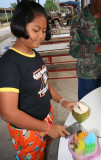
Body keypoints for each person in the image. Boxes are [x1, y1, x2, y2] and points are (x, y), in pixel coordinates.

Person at [0, 1, 77, 160]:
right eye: (36, 30)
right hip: (28, 129)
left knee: (42, 153)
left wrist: (63, 102)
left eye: (43, 30)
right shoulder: (9, 63)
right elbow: (8, 113)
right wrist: (47, 127)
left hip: (45, 120)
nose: (42, 36)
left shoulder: (34, 55)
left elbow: (44, 83)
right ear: (20, 25)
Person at [69, 0, 101, 100]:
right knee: (87, 107)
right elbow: (73, 49)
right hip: (88, 76)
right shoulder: (78, 20)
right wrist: (96, 48)